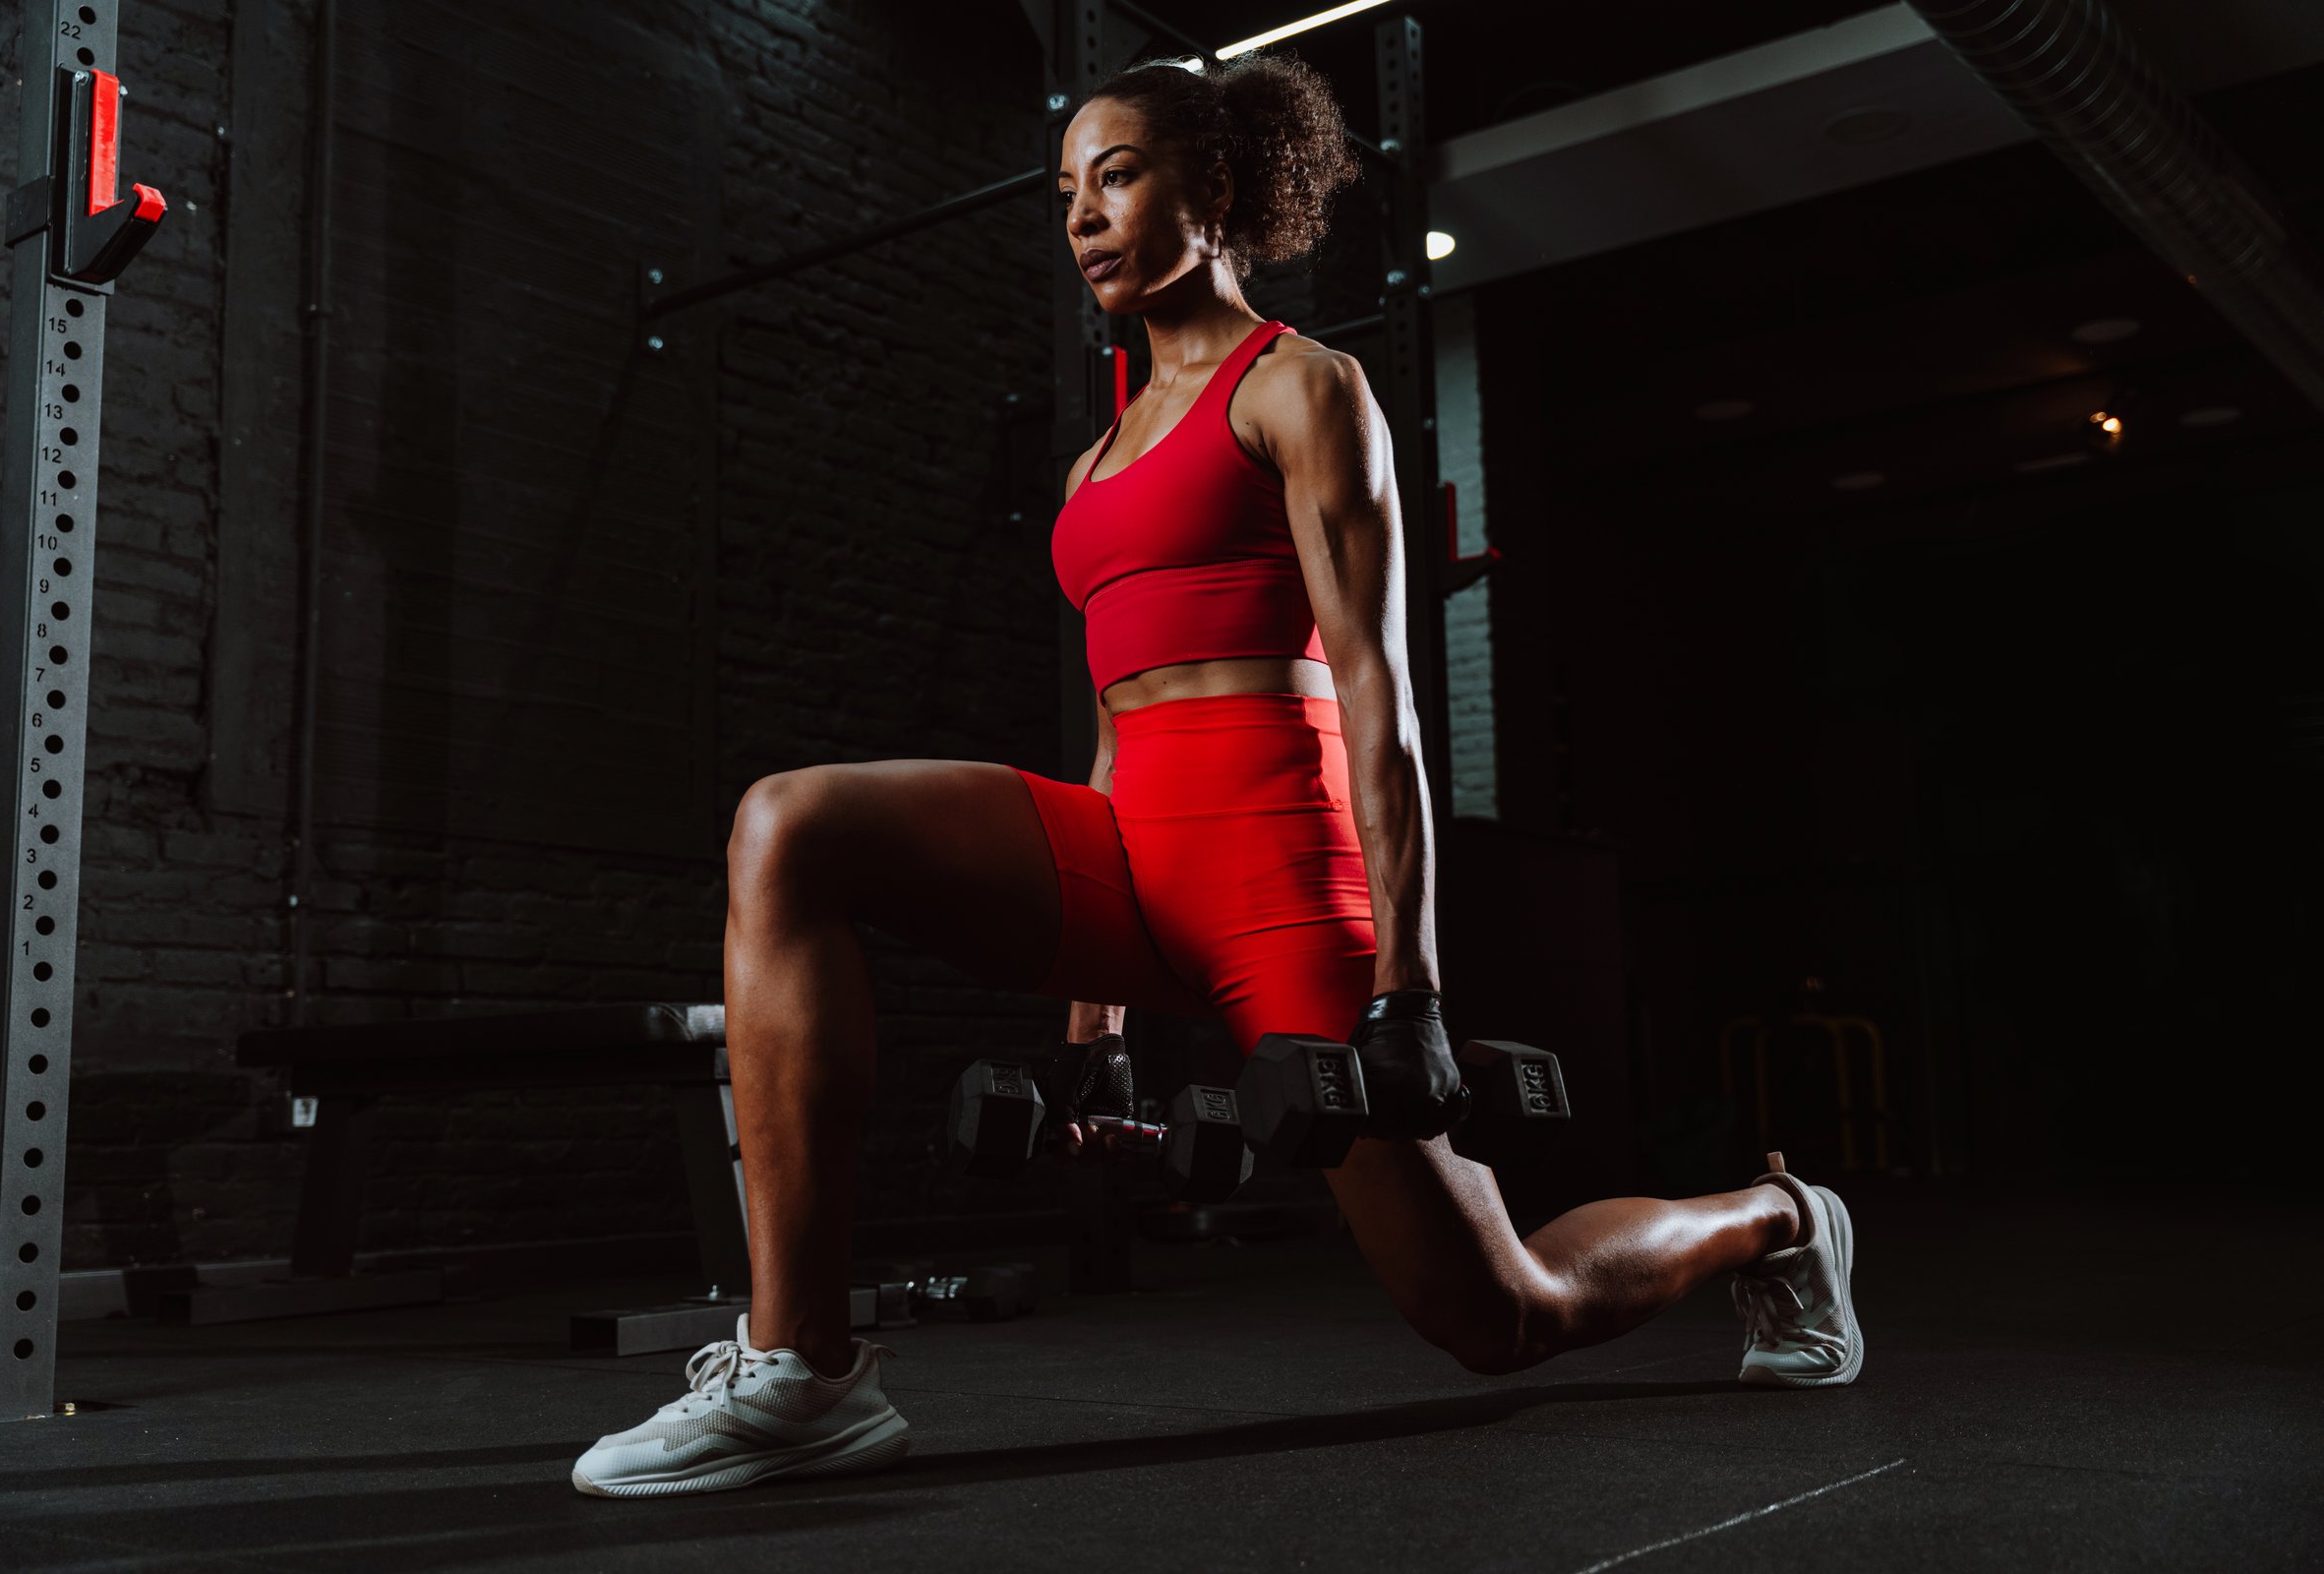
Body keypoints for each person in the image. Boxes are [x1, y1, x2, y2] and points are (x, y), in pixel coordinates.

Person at [571, 51, 1859, 1500]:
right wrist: (1096, 1024)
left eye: (1116, 175)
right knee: (790, 821)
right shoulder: (1093, 463)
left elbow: (1380, 698)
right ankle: (804, 1368)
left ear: (1223, 186)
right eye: (1067, 191)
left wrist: (1409, 988)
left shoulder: (1305, 389)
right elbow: (1119, 718)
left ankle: (1780, 1219)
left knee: (1501, 1316)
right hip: (1131, 860)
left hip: (1280, 884)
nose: (1082, 216)